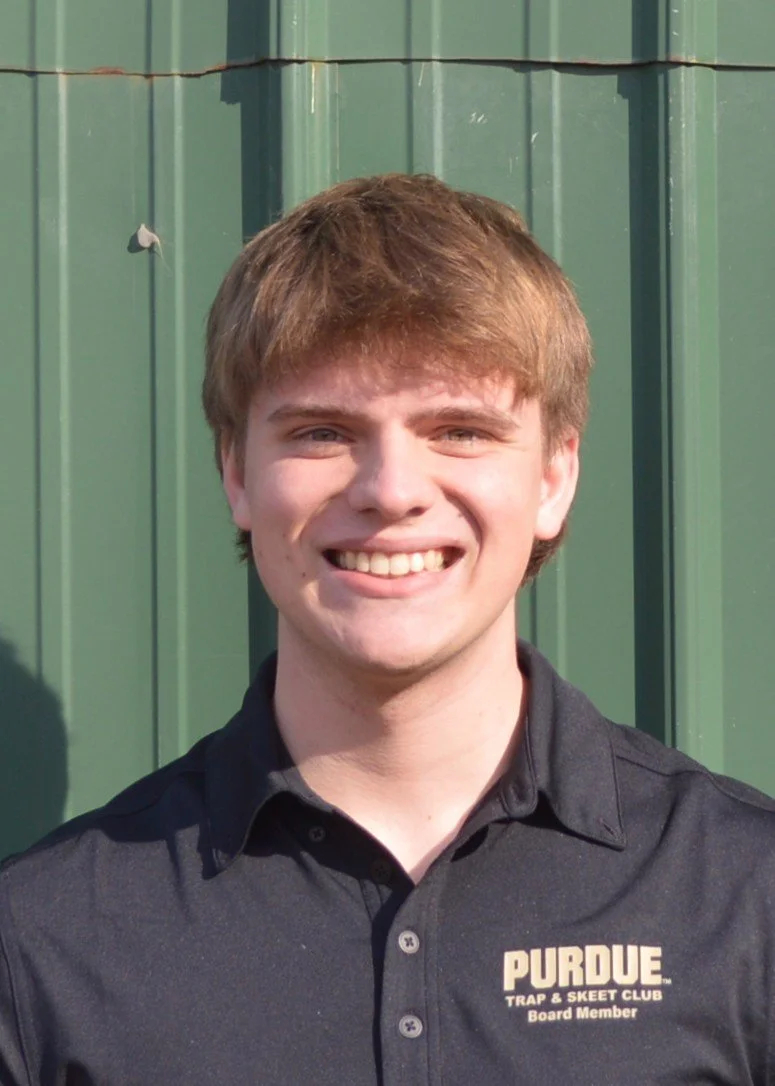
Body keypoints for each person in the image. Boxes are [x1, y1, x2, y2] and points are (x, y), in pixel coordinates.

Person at [1, 174, 773, 1086]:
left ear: (555, 477)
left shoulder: (742, 895)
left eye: (459, 430)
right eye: (323, 432)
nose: (392, 489)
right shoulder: (44, 942)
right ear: (236, 474)